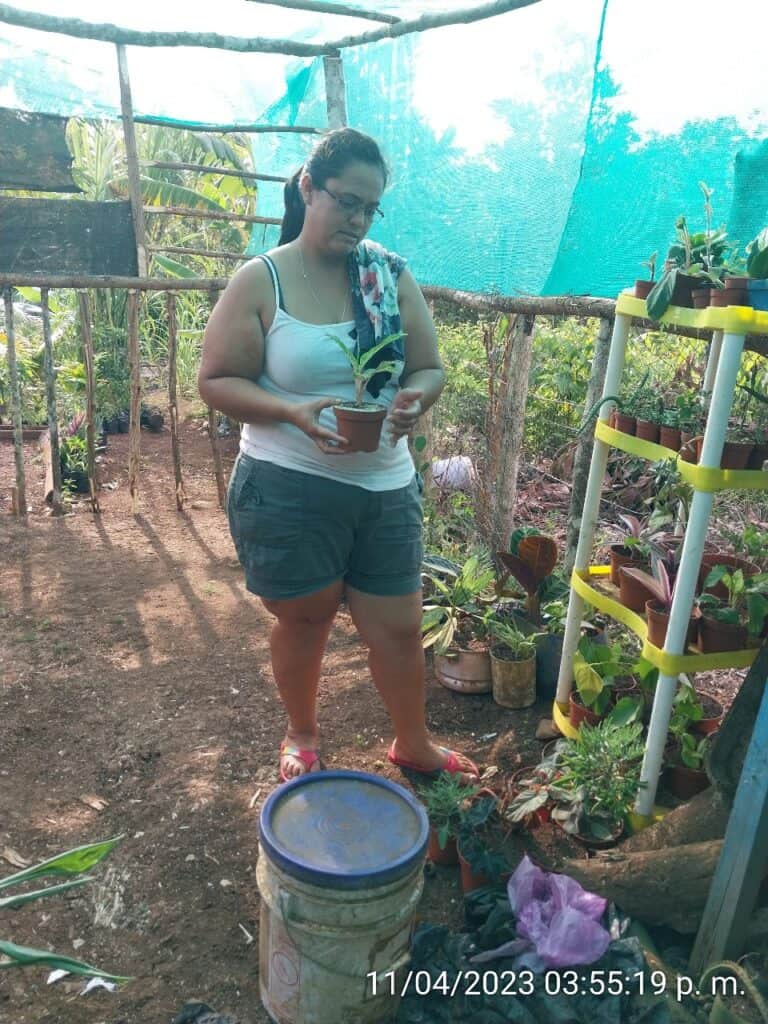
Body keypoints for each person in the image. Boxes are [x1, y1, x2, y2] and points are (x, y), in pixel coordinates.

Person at [199, 127, 479, 785]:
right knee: (305, 620)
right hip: (289, 484)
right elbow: (216, 380)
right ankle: (301, 732)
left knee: (400, 627)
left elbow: (429, 366)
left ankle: (413, 742)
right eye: (346, 201)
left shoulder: (388, 275)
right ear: (308, 187)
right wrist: (290, 411)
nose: (358, 220)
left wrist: (414, 398)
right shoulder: (262, 279)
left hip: (385, 487)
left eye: (370, 208)